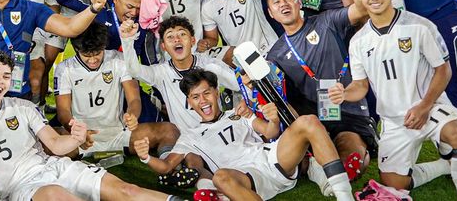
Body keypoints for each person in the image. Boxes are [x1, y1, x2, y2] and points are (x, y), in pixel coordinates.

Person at [0, 49, 175, 201]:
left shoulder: (23, 107)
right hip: (21, 187)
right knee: (55, 195)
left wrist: (76, 138)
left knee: (128, 191)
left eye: (6, 76)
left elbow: (56, 144)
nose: (0, 81)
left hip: (54, 167)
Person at [329, 0, 457, 196]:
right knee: (394, 185)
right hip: (394, 120)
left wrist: (424, 106)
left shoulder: (420, 26)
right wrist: (344, 94)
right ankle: (445, 165)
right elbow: (360, 86)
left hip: (430, 107)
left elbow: (444, 70)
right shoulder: (358, 41)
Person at [136, 68, 355, 201]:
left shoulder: (238, 112)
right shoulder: (189, 137)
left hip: (274, 162)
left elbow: (269, 132)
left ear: (216, 92)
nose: (203, 101)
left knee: (309, 121)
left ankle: (345, 196)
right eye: (195, 97)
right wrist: (146, 157)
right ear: (189, 102)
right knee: (220, 176)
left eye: (206, 93)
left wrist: (273, 119)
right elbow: (166, 167)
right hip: (245, 179)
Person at [264, 0, 377, 189]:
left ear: (299, 3)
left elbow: (360, 9)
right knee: (297, 162)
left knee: (352, 159)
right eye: (276, 2)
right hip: (314, 119)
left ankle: (340, 161)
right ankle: (314, 159)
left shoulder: (326, 21)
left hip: (348, 111)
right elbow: (282, 99)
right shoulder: (275, 55)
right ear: (271, 13)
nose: (283, 4)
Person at [55, 23, 179, 159]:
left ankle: (169, 165)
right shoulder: (64, 69)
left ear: (104, 46)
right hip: (81, 137)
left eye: (97, 53)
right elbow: (63, 111)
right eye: (86, 55)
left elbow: (134, 99)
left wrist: (132, 115)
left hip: (119, 134)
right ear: (76, 49)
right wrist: (76, 132)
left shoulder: (119, 59)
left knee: (169, 130)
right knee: (46, 139)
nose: (93, 60)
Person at [120, 16, 238, 132]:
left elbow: (241, 86)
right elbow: (134, 70)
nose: (177, 39)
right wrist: (127, 41)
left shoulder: (210, 66)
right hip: (187, 140)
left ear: (192, 41)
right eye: (170, 36)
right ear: (163, 46)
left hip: (218, 132)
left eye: (182, 34)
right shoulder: (161, 73)